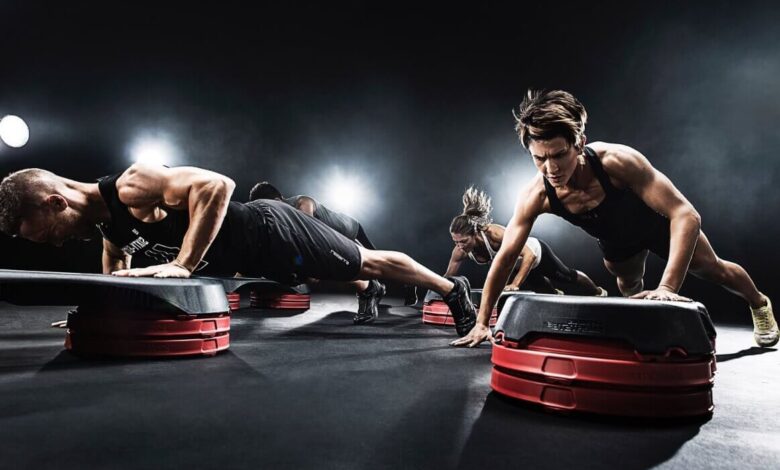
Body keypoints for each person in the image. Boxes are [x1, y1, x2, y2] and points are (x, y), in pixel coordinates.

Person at [452, 89, 777, 348]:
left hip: (659, 226)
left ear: (579, 143)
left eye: (559, 155)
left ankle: (759, 303)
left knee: (714, 268)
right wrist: (482, 322)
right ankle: (643, 322)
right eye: (540, 158)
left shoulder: (617, 161)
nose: (550, 168)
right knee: (627, 285)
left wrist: (667, 287)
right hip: (616, 242)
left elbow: (685, 214)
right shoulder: (536, 196)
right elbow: (505, 257)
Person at [0, 164, 476, 333]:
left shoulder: (131, 186)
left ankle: (450, 288)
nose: (53, 242)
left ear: (56, 202)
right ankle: (369, 290)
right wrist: (97, 310)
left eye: (45, 232)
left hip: (272, 230)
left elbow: (217, 185)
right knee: (337, 273)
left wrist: (183, 264)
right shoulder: (108, 227)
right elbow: (115, 268)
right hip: (254, 259)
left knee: (366, 262)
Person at [250, 181, 419, 315]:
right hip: (336, 240)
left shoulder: (302, 202)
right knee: (368, 268)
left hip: (350, 229)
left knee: (382, 264)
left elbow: (307, 234)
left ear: (278, 200)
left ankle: (408, 281)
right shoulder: (284, 219)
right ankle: (375, 289)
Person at [446, 186, 606, 296]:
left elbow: (529, 255)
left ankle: (598, 292)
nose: (460, 246)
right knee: (546, 293)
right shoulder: (460, 251)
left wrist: (515, 284)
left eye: (463, 241)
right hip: (517, 265)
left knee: (567, 276)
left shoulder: (495, 234)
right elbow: (447, 277)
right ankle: (556, 295)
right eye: (455, 242)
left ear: (475, 233)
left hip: (536, 253)